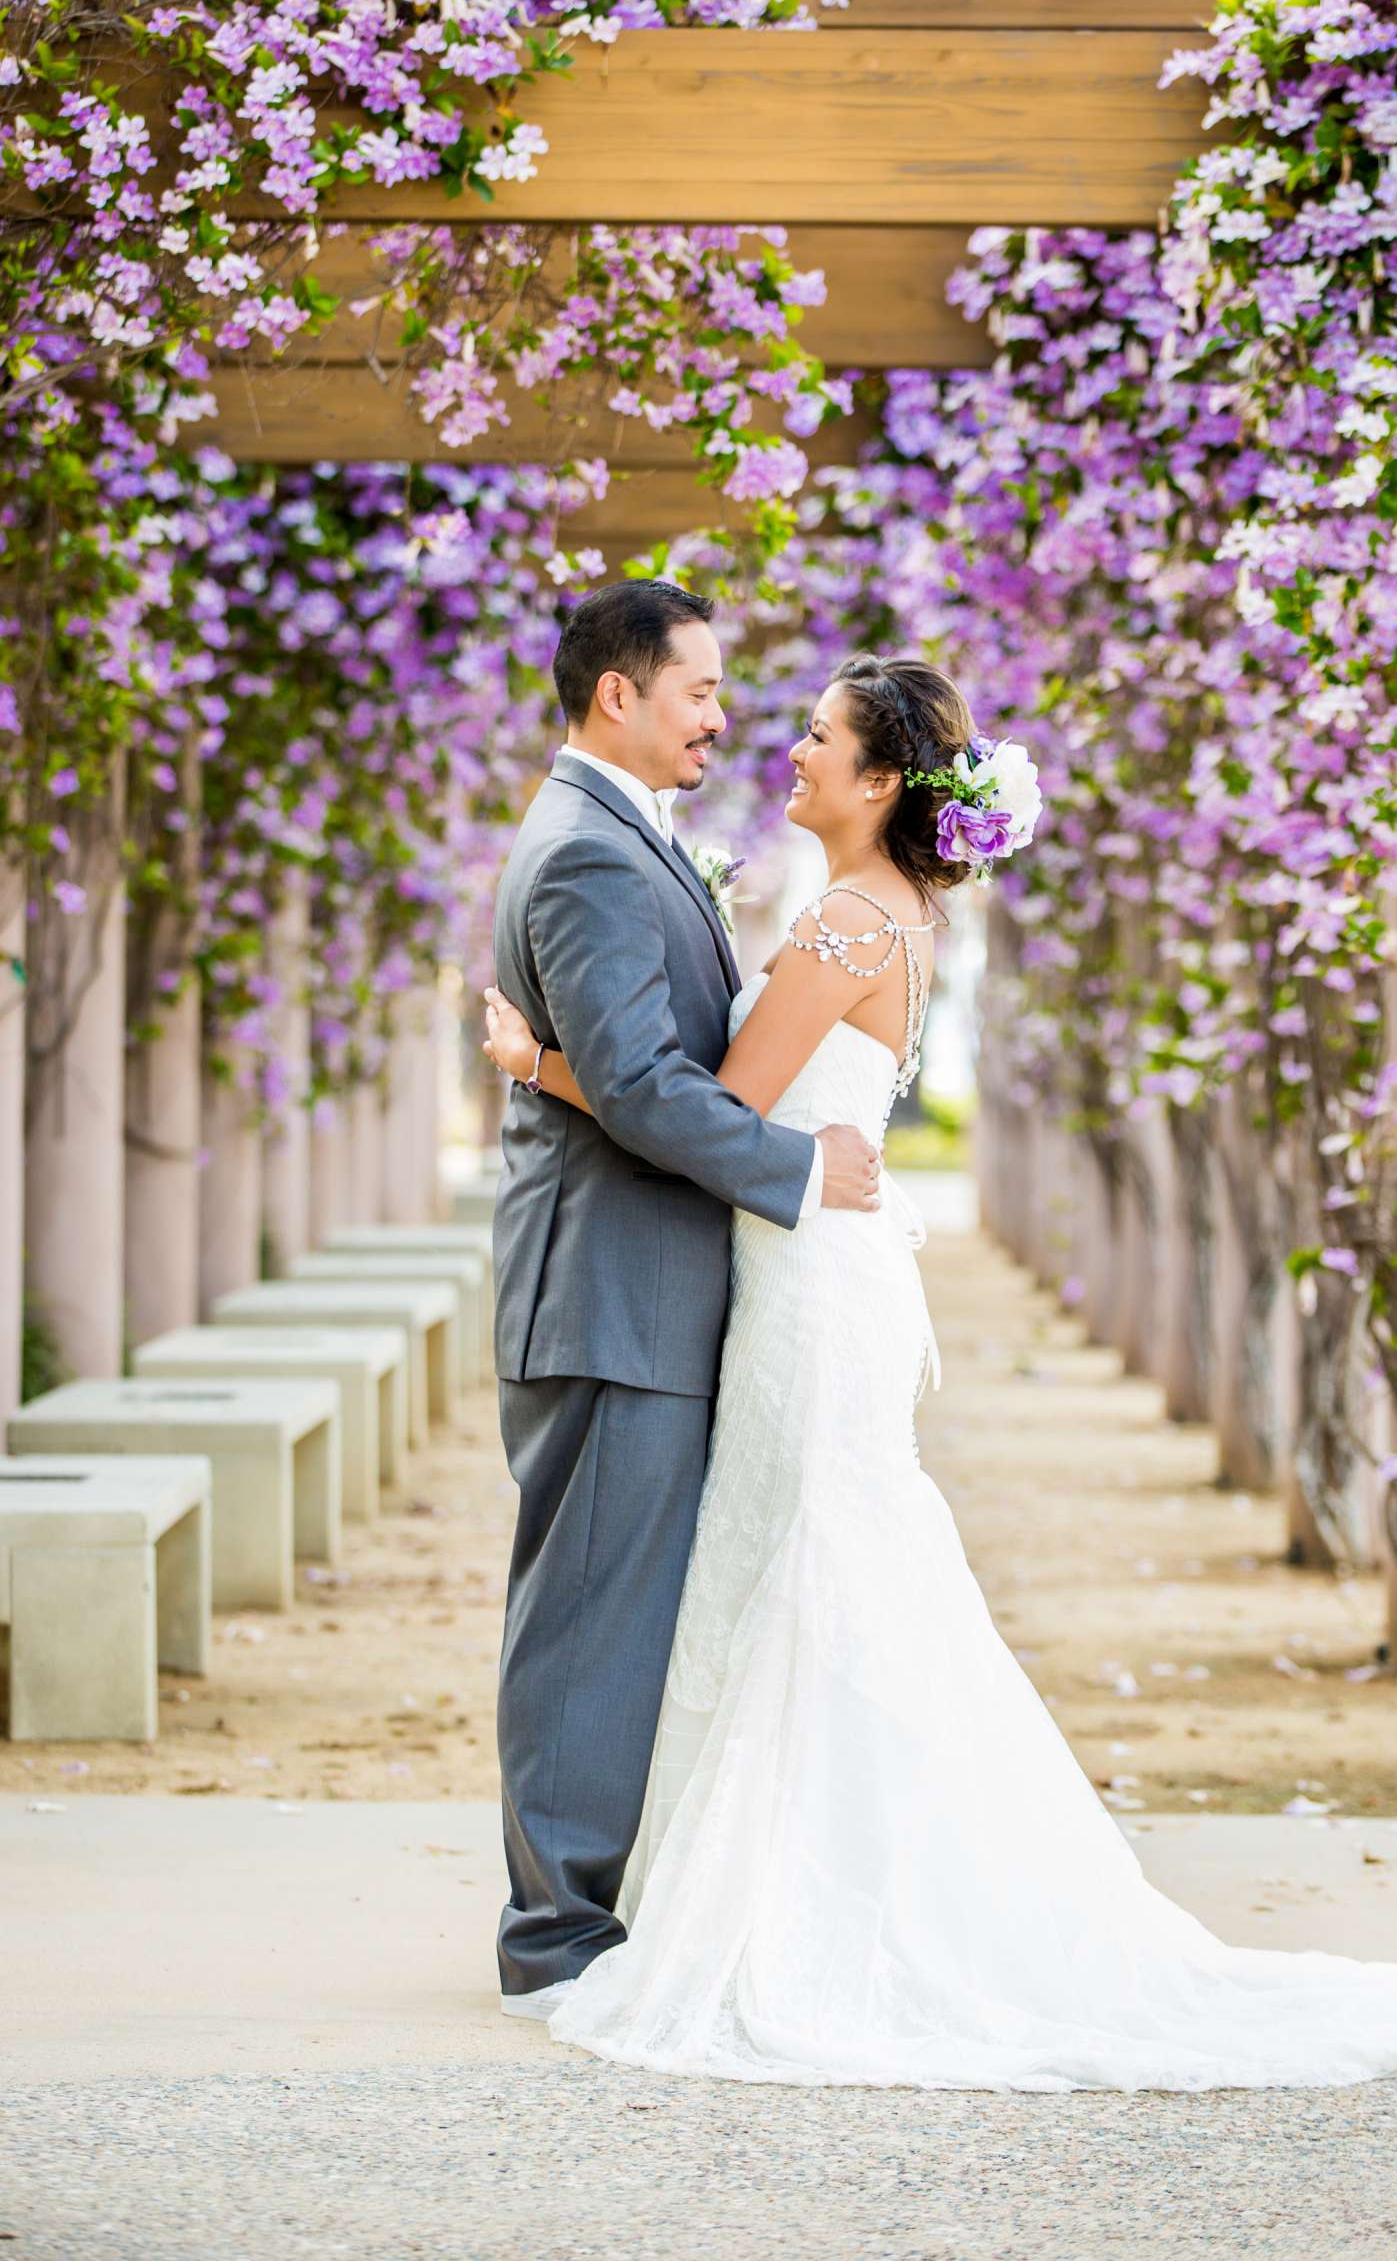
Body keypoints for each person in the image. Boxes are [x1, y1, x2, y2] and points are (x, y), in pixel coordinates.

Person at [483, 643, 1397, 2093]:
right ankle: (798, 1880)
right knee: (808, 1569)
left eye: (819, 738)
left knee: (809, 1568)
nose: (789, 750)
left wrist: (534, 1063)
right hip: (816, 1273)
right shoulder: (893, 915)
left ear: (881, 782)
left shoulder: (841, 929)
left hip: (811, 1282)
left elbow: (702, 1100)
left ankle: (799, 1902)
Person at [486, 579, 881, 2019]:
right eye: (702, 689)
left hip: (643, 1285)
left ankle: (585, 1908)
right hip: (607, 1289)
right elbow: (648, 1088)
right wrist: (796, 1167)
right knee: (589, 1616)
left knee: (613, 1606)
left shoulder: (618, 836)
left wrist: (538, 1066)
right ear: (620, 695)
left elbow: (635, 1068)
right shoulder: (589, 854)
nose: (723, 716)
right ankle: (556, 1940)